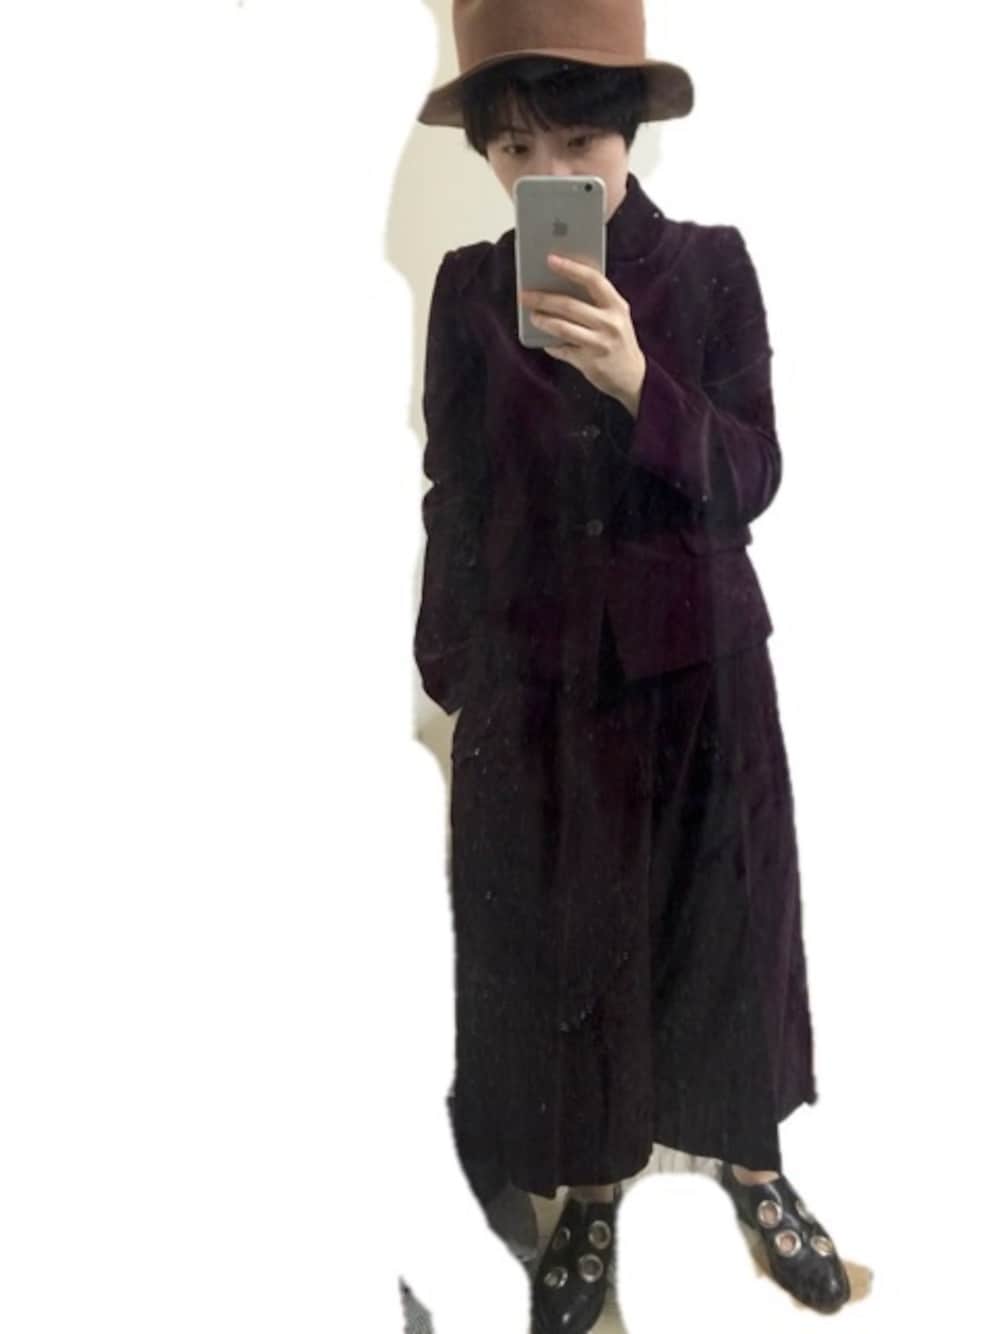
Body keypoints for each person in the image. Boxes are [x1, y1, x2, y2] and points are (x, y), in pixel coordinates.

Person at [413, 3, 853, 1328]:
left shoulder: (710, 266)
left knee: (723, 935)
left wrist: (638, 381)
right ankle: (589, 1196)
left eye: (581, 141)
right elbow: (454, 490)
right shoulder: (470, 290)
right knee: (570, 949)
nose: (552, 172)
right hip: (538, 688)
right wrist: (452, 669)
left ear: (631, 132)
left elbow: (753, 474)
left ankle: (757, 1169)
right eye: (518, 150)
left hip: (697, 674)